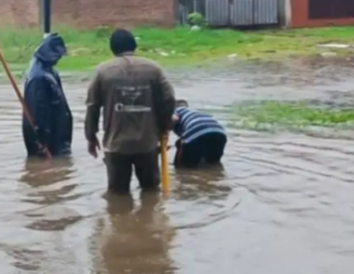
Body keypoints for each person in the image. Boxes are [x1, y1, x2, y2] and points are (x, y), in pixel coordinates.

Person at [84, 29, 175, 194]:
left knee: (118, 195)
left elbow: (92, 106)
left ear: (112, 49)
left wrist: (91, 136)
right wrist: (163, 127)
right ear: (134, 45)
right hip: (147, 143)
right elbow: (169, 99)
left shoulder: (102, 72)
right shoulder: (154, 69)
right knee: (151, 192)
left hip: (116, 144)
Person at [22, 33, 73, 158]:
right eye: (57, 55)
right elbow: (38, 112)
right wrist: (42, 141)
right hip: (48, 138)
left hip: (57, 134)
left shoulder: (48, 70)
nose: (59, 58)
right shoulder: (38, 77)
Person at [171, 100, 228, 168]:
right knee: (212, 165)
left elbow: (174, 118)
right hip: (220, 132)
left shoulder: (176, 110)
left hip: (197, 131)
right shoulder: (195, 112)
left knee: (183, 166)